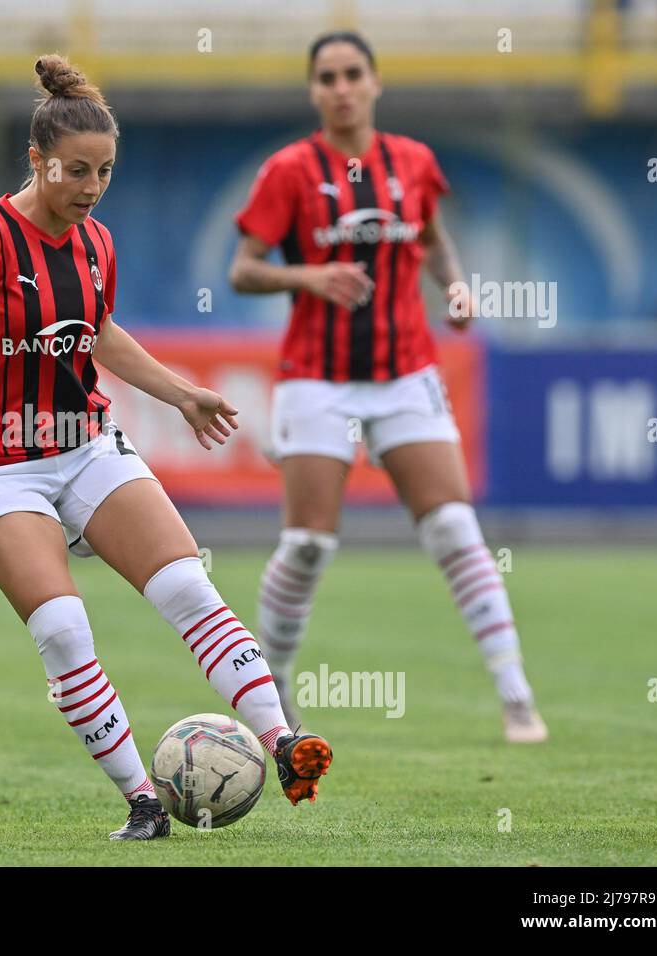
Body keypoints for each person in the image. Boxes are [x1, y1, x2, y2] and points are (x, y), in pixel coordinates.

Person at [0, 55, 334, 841]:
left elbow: (100, 331)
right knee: (61, 628)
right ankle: (143, 801)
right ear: (37, 161)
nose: (89, 187)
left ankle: (284, 744)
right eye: (75, 171)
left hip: (87, 447)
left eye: (105, 172)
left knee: (188, 586)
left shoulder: (96, 244)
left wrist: (181, 392)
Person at [228, 31, 546, 743]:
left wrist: (456, 288)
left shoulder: (413, 162)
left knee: (455, 527)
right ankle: (271, 693)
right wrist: (307, 276)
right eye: (326, 78)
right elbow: (243, 269)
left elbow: (432, 240)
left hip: (407, 372)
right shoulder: (288, 171)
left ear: (375, 83)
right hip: (317, 376)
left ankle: (516, 693)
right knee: (309, 543)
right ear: (314, 91)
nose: (341, 88)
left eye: (352, 75)